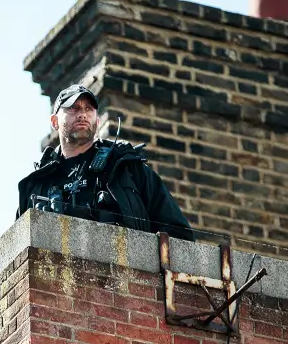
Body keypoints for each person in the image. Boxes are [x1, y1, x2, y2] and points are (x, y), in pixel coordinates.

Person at [17, 84, 195, 241]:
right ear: (54, 122)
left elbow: (179, 235)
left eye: (89, 109)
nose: (82, 115)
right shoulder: (37, 184)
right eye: (73, 108)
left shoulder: (126, 167)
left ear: (98, 120)